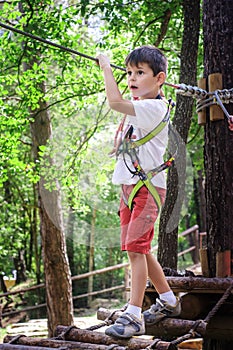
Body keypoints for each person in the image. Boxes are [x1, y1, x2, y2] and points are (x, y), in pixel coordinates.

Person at [97, 45, 181, 339]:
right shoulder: (140, 105)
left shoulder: (154, 106)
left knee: (135, 248)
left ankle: (133, 315)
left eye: (139, 73)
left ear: (159, 78)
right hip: (128, 187)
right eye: (129, 72)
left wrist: (107, 67)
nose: (131, 78)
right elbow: (133, 133)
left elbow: (114, 102)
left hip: (146, 189)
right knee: (139, 249)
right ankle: (169, 299)